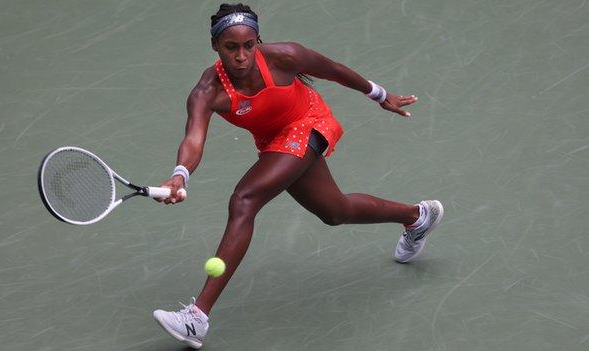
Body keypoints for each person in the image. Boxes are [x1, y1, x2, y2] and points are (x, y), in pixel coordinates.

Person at [152, 3, 444, 349]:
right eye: (232, 47)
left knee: (244, 199)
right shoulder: (207, 92)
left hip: (309, 124)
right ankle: (418, 216)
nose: (242, 55)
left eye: (249, 45)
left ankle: (197, 317)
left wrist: (381, 96)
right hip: (274, 142)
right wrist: (180, 175)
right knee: (335, 212)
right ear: (215, 45)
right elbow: (194, 138)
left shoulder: (284, 56)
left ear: (258, 41)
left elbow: (333, 70)